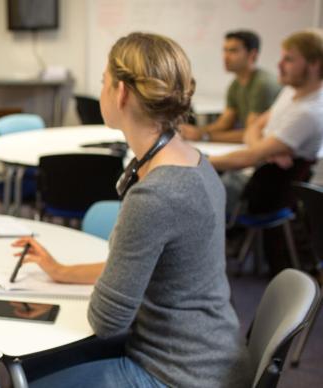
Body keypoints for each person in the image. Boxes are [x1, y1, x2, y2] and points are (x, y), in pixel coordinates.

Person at [17, 33, 253, 387]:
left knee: (30, 376)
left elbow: (107, 321)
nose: (101, 91)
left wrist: (106, 282)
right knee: (39, 363)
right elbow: (147, 268)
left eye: (103, 82)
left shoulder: (155, 195)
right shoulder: (194, 162)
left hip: (179, 372)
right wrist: (61, 271)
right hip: (210, 351)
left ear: (122, 92)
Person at [211, 29, 323, 273]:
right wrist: (263, 148)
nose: (279, 64)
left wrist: (199, 161)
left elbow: (248, 157)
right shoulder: (291, 91)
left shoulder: (309, 112)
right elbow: (255, 126)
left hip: (259, 195)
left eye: (289, 59)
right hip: (253, 177)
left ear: (314, 64)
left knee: (192, 190)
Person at [180, 30, 281, 143]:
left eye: (233, 51)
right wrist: (194, 131)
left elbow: (250, 133)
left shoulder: (263, 84)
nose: (225, 56)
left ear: (252, 54)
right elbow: (224, 123)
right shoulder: (235, 85)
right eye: (225, 50)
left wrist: (204, 136)